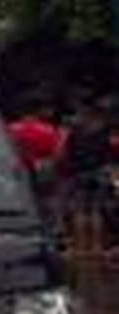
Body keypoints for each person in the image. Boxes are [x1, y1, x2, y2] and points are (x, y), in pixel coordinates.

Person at [60, 97, 113, 256]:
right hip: (99, 172)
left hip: (79, 173)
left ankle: (81, 247)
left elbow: (68, 152)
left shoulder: (76, 131)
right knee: (96, 211)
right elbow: (107, 154)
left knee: (80, 211)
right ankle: (96, 247)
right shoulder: (103, 131)